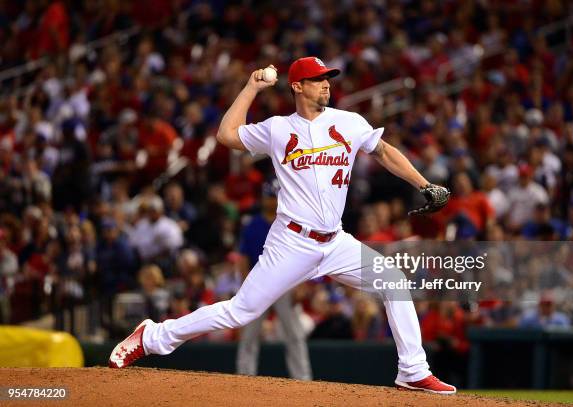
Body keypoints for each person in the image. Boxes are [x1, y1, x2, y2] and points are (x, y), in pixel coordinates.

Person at [108, 57, 456, 394]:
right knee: (240, 311)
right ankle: (151, 337)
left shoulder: (349, 122)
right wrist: (251, 87)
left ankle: (413, 371)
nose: (326, 85)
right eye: (318, 80)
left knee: (393, 281)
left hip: (336, 243)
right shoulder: (278, 128)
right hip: (292, 242)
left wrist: (424, 184)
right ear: (297, 86)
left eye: (328, 79)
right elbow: (227, 135)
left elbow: (383, 151)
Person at [235, 179, 312, 380]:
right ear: (264, 198)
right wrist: (245, 286)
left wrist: (300, 284)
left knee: (295, 336)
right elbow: (243, 258)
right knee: (249, 336)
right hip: (259, 284)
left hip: (285, 285)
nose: (273, 200)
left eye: (277, 196)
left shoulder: (290, 223)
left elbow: (301, 257)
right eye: (270, 196)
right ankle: (244, 377)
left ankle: (303, 380)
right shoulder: (253, 225)